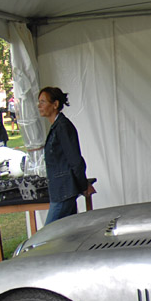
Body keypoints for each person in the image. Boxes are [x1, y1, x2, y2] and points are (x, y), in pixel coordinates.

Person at [39, 86, 92, 224]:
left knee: (47, 236)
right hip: (61, 190)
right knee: (69, 234)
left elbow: (75, 160)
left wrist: (83, 185)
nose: (39, 106)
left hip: (64, 191)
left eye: (43, 102)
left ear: (55, 104)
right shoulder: (57, 126)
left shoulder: (62, 126)